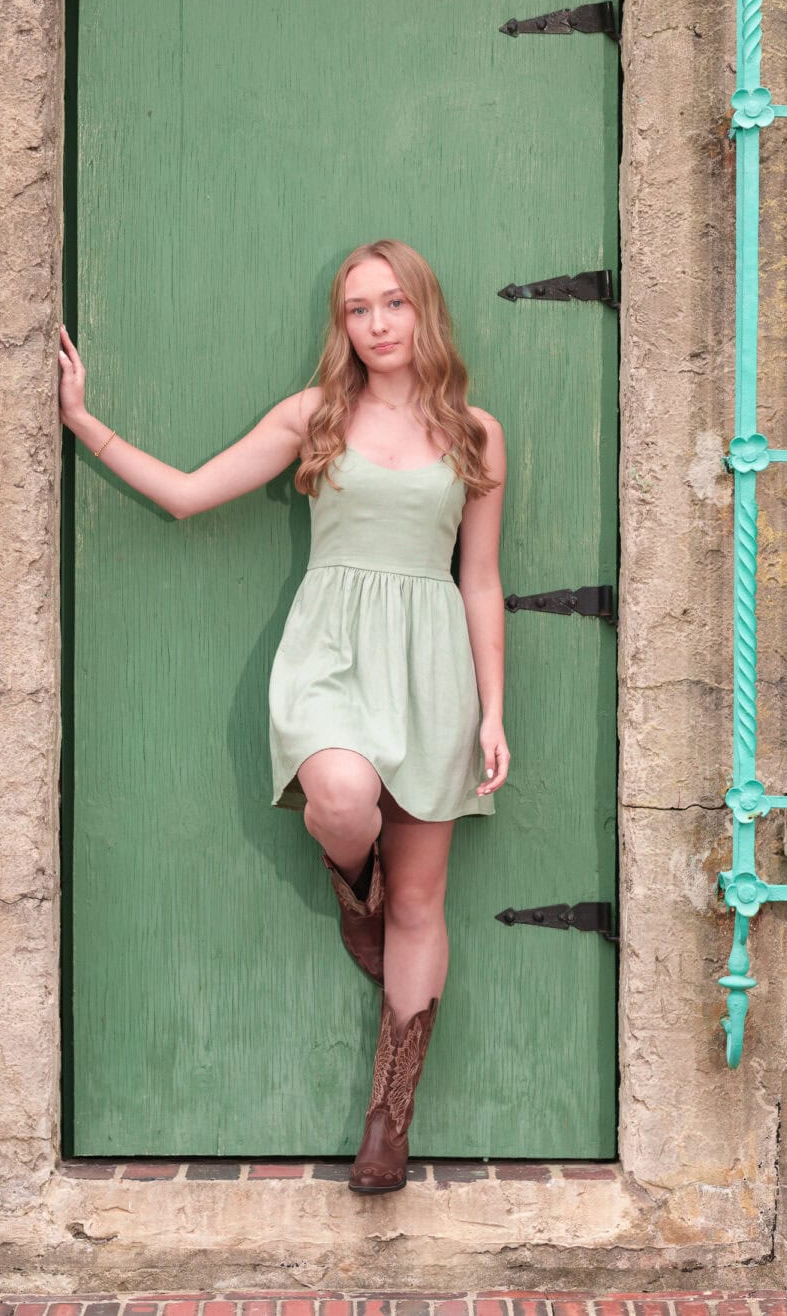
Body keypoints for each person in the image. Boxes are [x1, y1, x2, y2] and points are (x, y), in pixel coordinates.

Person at [58, 237, 509, 1193]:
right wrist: (84, 421)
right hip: (332, 655)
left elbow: (481, 580)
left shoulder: (476, 432)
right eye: (358, 309)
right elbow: (187, 495)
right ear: (341, 325)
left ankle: (390, 1118)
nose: (378, 324)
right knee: (342, 796)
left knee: (425, 903)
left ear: (424, 310)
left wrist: (492, 711)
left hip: (431, 666)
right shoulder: (317, 416)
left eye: (394, 304)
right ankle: (355, 883)